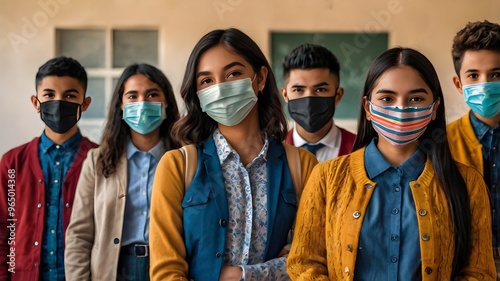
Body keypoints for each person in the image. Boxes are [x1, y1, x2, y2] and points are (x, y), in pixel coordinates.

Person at [287, 47, 496, 280]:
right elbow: (304, 263)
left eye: (416, 99)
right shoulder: (326, 177)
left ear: (435, 107)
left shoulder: (468, 183)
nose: (401, 109)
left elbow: (479, 272)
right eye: (387, 98)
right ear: (368, 107)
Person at [149, 28, 318, 281]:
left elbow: (310, 259)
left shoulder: (303, 165)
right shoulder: (177, 166)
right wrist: (278, 268)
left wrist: (240, 275)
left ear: (260, 79)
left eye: (233, 74)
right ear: (198, 95)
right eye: (207, 81)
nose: (220, 88)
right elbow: (166, 271)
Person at [64, 63, 180, 281]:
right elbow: (79, 235)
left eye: (152, 94)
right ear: (121, 105)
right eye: (133, 96)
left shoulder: (184, 159)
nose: (142, 103)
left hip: (169, 269)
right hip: (112, 270)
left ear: (166, 102)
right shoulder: (96, 162)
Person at [0, 56, 98, 280]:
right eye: (49, 95)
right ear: (36, 102)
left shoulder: (101, 160)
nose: (59, 102)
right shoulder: (12, 163)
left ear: (85, 103)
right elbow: (4, 229)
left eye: (70, 95)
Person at [446, 20, 500, 279]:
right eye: (473, 75)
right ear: (459, 84)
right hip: (466, 267)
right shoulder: (441, 143)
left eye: (496, 74)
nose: (485, 83)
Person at [281, 43, 356, 162]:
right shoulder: (271, 151)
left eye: (320, 89)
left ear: (338, 96)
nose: (309, 99)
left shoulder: (361, 150)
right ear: (285, 95)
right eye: (298, 90)